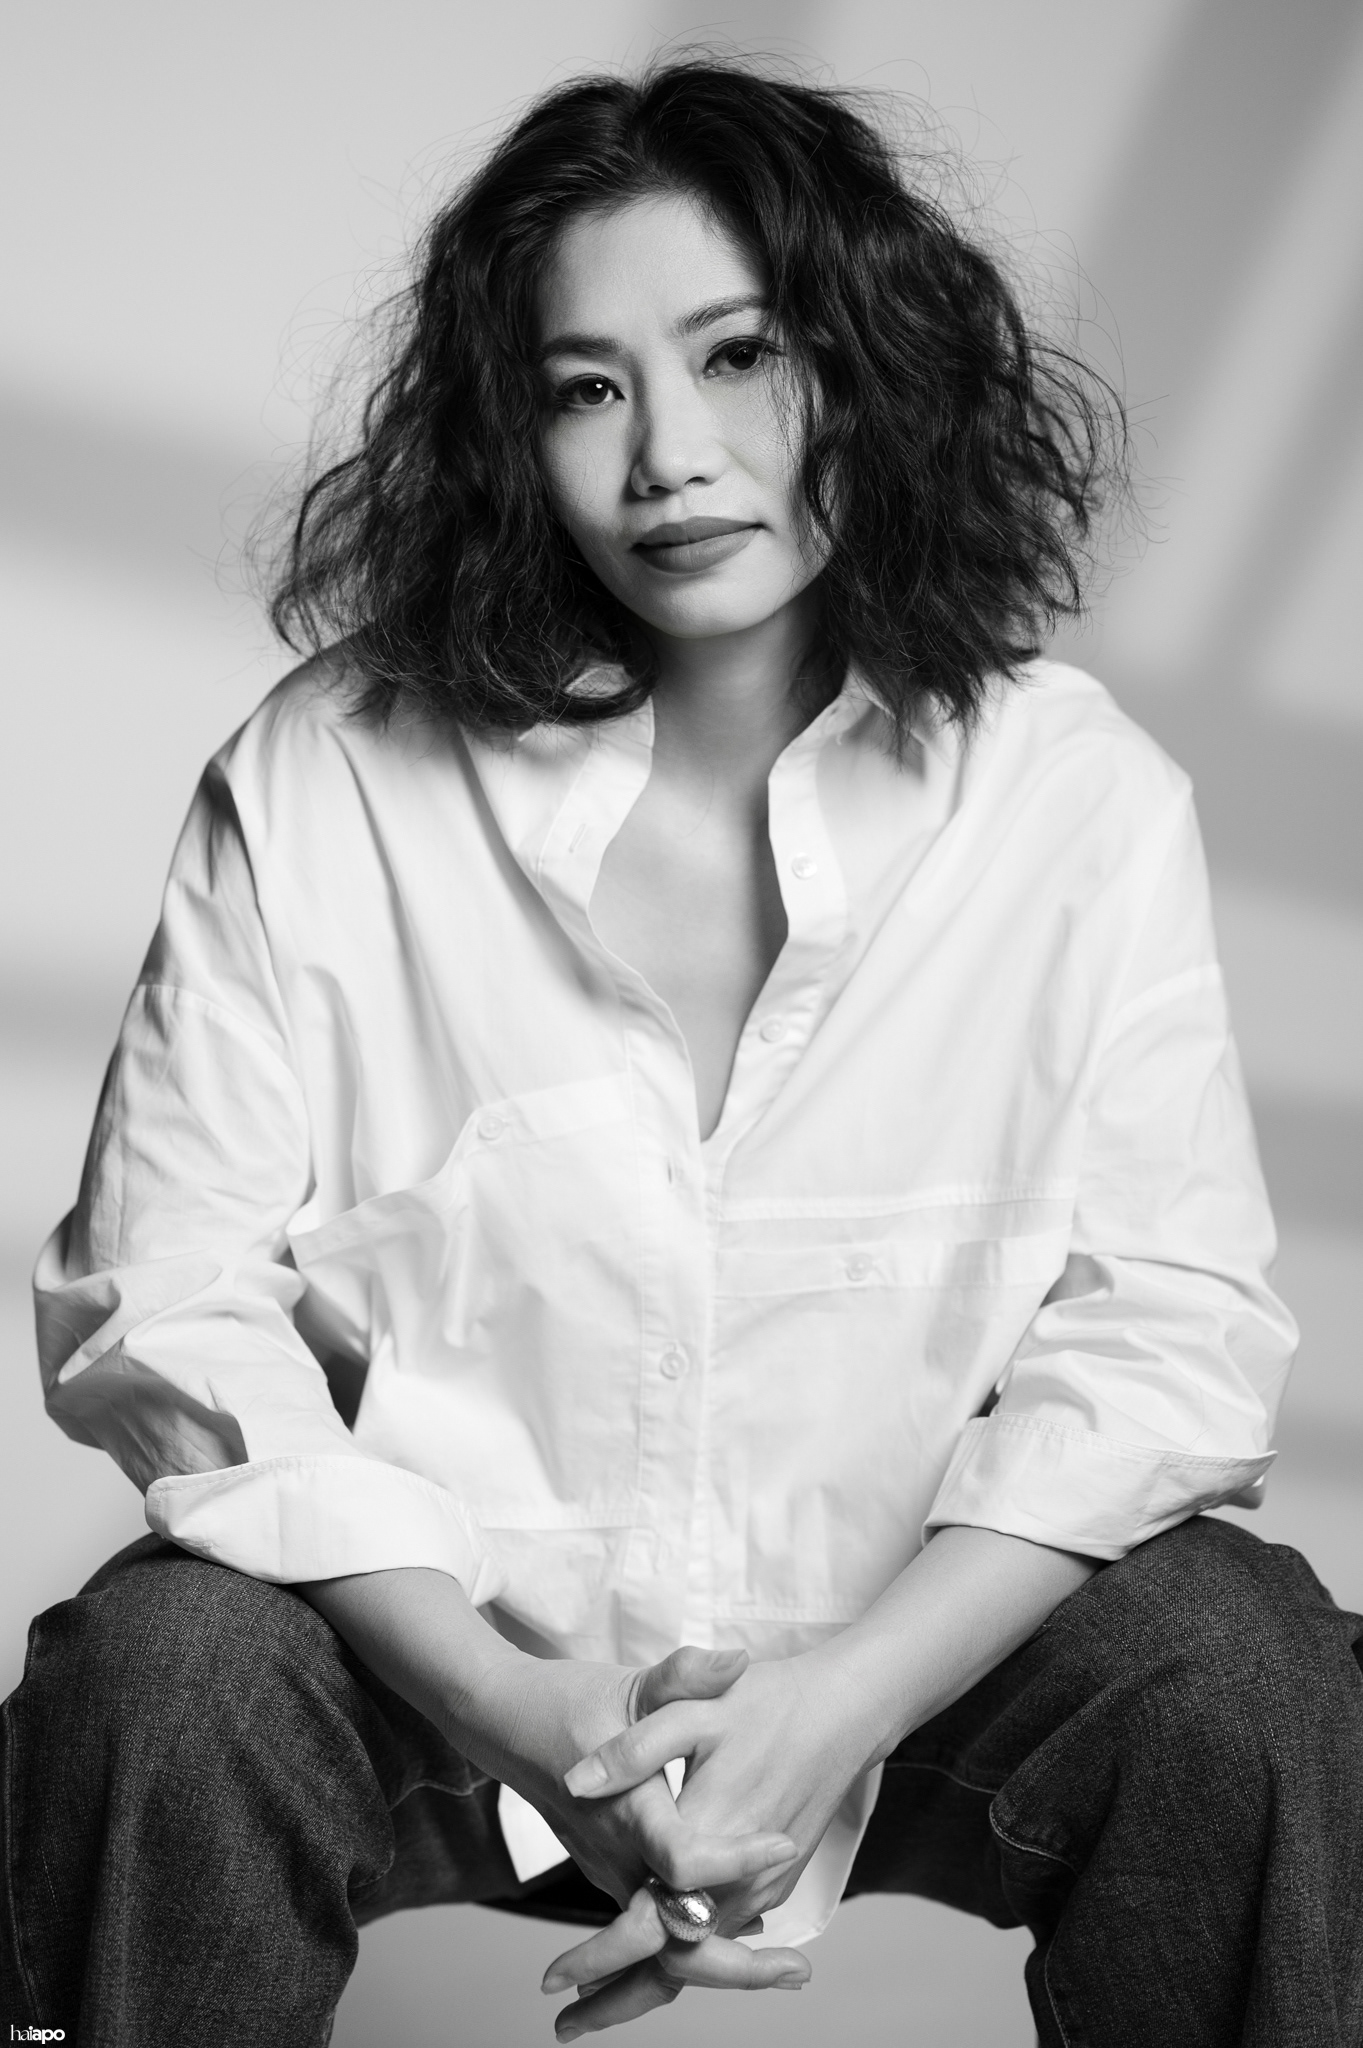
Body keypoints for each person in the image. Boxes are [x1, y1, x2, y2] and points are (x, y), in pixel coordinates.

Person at [4, 57, 1361, 2048]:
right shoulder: (326, 780)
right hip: (449, 1676)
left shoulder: (1074, 801)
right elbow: (167, 1296)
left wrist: (836, 1702)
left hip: (907, 1675)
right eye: (586, 387)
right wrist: (517, 1704)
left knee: (1245, 1671)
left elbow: (1168, 1331)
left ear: (868, 368)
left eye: (739, 356)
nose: (668, 457)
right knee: (157, 1680)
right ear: (510, 432)